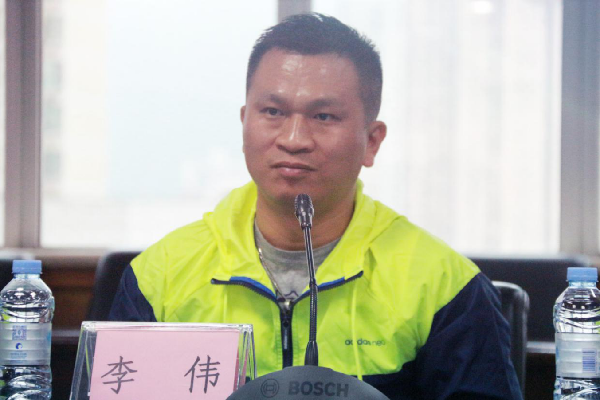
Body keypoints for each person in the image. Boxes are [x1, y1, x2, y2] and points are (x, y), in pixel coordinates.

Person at [109, 13, 522, 399]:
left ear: (372, 141)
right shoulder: (160, 278)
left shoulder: (442, 285)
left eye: (323, 116)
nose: (293, 139)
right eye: (273, 111)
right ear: (244, 122)